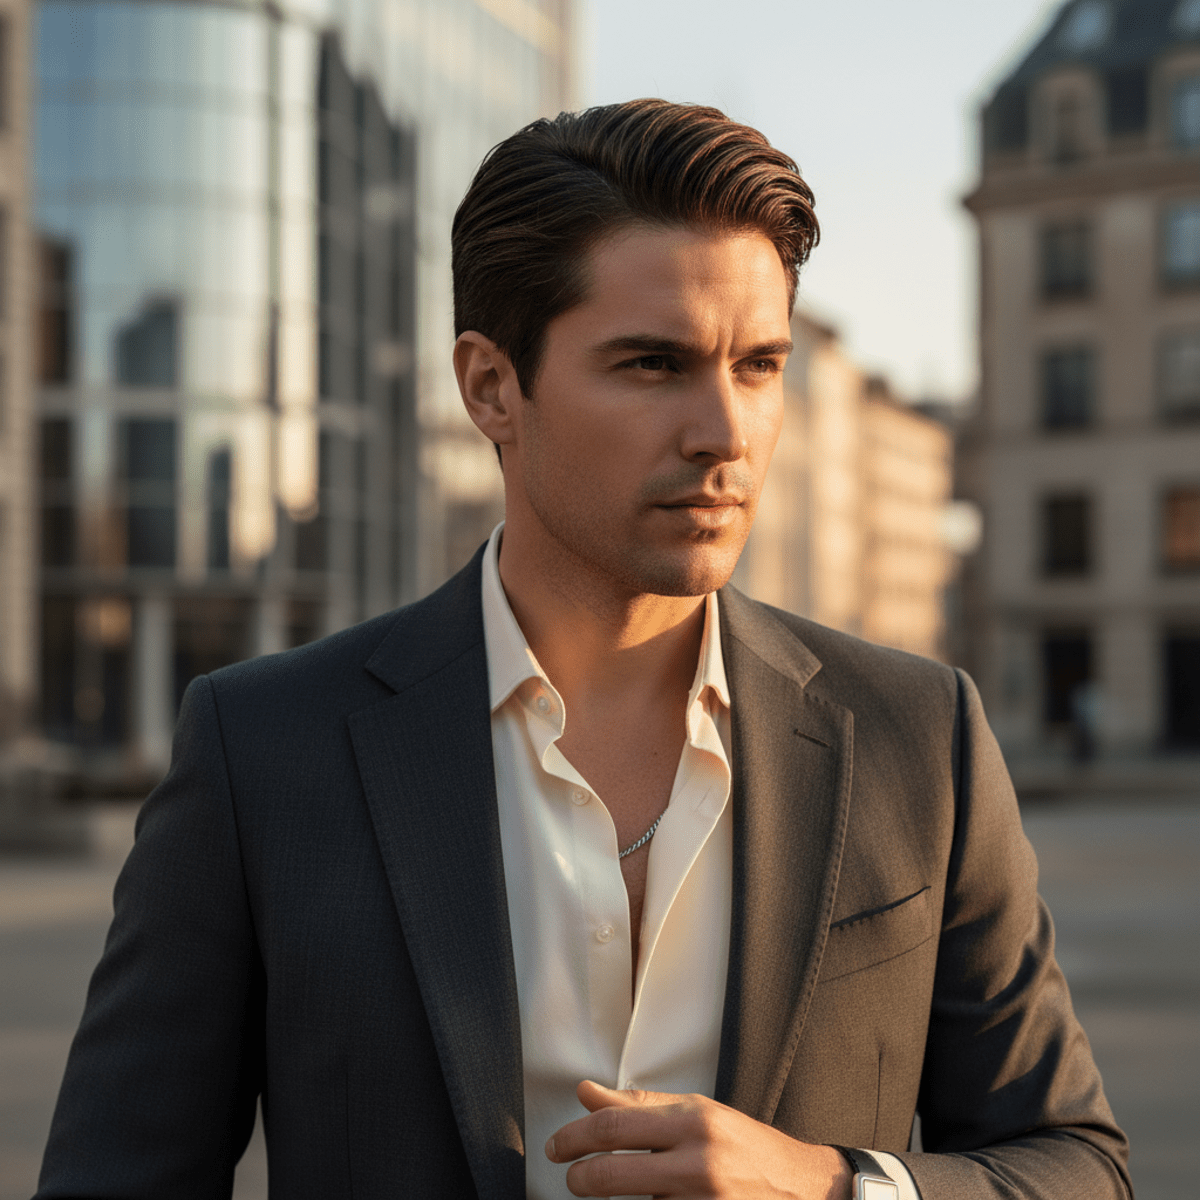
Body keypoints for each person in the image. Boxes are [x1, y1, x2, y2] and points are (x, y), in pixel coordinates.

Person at [36, 100, 1130, 1200]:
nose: (725, 433)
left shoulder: (917, 735)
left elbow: (1077, 1164)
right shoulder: (263, 749)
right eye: (653, 364)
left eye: (758, 366)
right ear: (490, 387)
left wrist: (839, 1187)